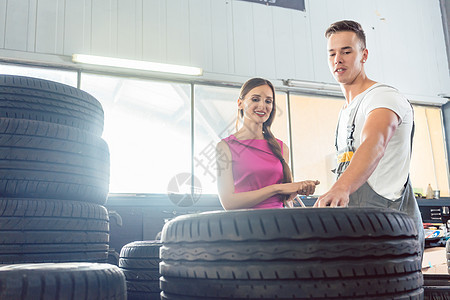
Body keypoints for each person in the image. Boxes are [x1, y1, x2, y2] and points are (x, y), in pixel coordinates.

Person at [314, 20, 424, 250]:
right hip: (356, 227)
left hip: (391, 230)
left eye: (346, 51)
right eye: (332, 53)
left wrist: (341, 188)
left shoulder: (383, 97)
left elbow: (375, 142)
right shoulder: (345, 112)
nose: (338, 59)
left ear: (364, 55)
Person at [216, 77, 319, 210]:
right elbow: (228, 203)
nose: (262, 106)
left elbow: (284, 198)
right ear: (240, 103)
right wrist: (276, 188)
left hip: (279, 224)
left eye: (268, 101)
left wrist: (299, 188)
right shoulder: (225, 147)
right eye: (255, 99)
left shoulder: (281, 147)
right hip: (245, 225)